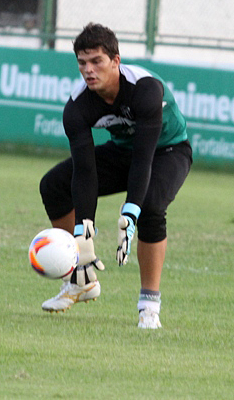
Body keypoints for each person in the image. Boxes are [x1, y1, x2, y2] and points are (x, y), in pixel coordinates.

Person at [38, 23, 192, 329]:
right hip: (123, 151)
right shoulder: (77, 107)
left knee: (150, 208)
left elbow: (145, 159)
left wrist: (130, 211)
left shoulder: (146, 89)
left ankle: (149, 306)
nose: (89, 70)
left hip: (167, 152)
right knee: (54, 185)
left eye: (97, 61)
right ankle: (80, 279)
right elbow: (84, 171)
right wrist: (84, 233)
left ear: (116, 62)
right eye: (82, 63)